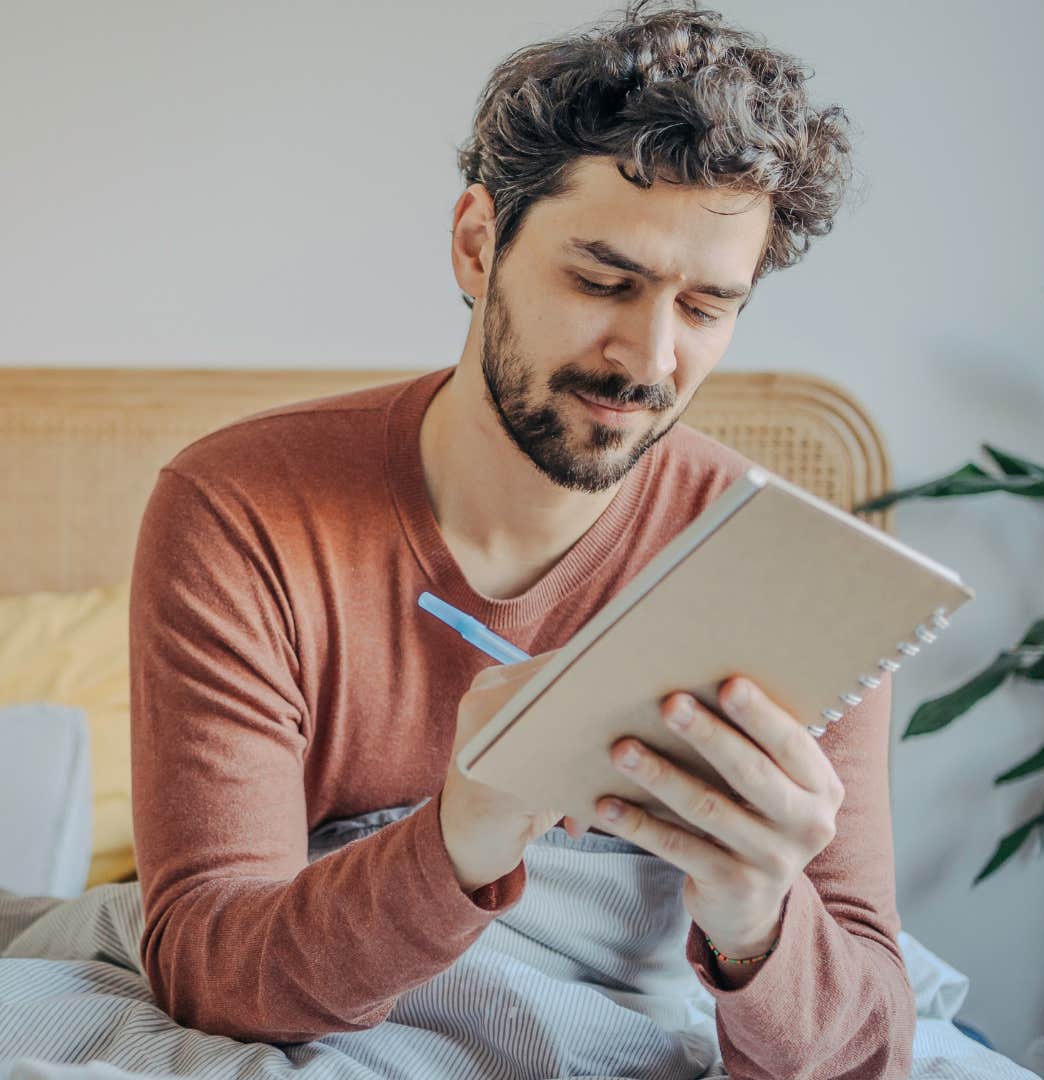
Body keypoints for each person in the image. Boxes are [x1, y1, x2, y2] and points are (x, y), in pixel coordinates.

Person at [127, 2, 914, 1077]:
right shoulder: (242, 511)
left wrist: (759, 922)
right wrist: (464, 828)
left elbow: (875, 1041)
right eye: (603, 281)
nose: (648, 356)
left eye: (707, 306)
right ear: (476, 242)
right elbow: (212, 969)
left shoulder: (792, 575)